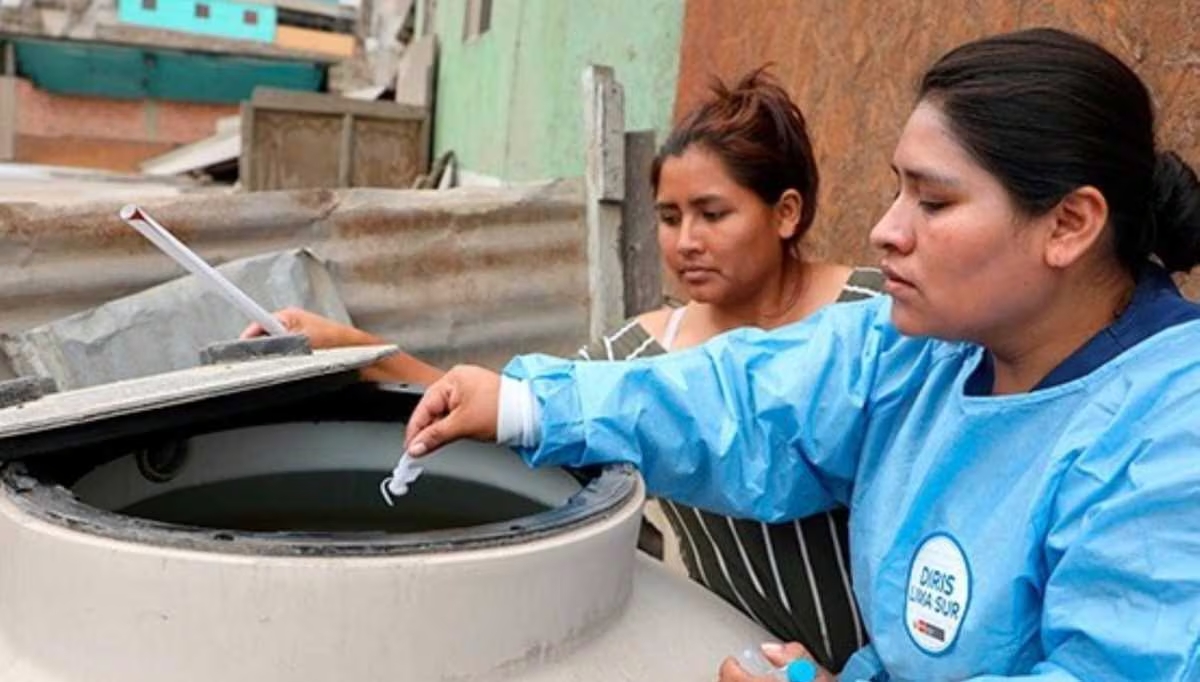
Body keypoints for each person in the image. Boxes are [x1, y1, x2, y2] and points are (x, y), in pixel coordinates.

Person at [401, 28, 1200, 682]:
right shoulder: (921, 351)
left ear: (1069, 225)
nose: (888, 229)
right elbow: (748, 405)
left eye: (934, 200)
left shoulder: (1171, 435)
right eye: (895, 191)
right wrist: (528, 404)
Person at [243, 70, 881, 670]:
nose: (686, 240)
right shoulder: (641, 359)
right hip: (747, 661)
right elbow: (509, 408)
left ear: (786, 212)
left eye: (713, 214)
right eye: (668, 217)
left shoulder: (881, 323)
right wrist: (354, 350)